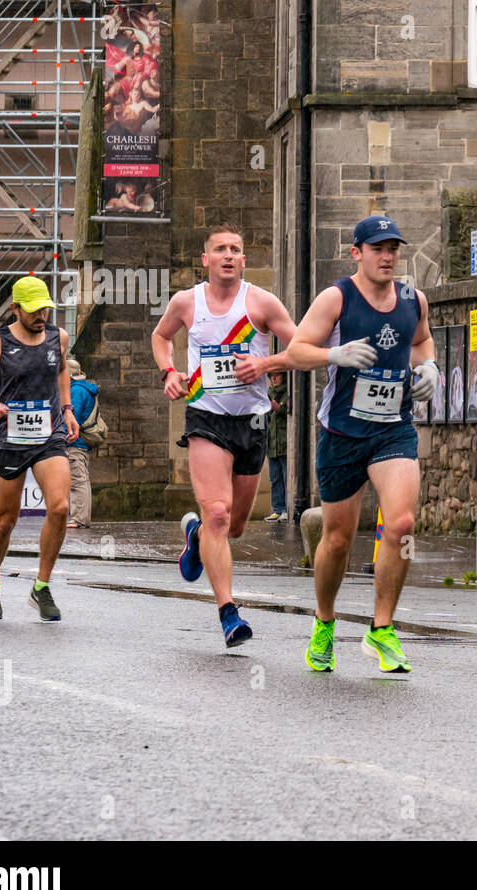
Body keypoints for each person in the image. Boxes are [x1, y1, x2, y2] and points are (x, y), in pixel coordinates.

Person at [286, 215, 437, 675]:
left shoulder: (414, 299)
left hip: (393, 428)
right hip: (342, 432)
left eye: (393, 247)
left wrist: (429, 366)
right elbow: (295, 351)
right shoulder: (337, 298)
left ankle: (382, 628)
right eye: (378, 248)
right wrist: (334, 353)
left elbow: (422, 341)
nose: (388, 256)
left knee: (402, 523)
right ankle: (325, 622)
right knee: (337, 539)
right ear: (357, 252)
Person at [151, 222, 298, 647]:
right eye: (220, 249)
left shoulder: (262, 303)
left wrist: (265, 366)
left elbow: (302, 348)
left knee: (233, 527)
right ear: (206, 260)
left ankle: (195, 536)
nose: (229, 255)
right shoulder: (186, 302)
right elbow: (161, 338)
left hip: (252, 421)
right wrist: (169, 372)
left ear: (244, 260)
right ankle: (228, 613)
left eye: (236, 248)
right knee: (217, 512)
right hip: (206, 417)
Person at [0, 277, 78, 620]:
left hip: (49, 434)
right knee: (6, 520)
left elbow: (61, 373)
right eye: (33, 309)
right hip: (9, 437)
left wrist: (67, 409)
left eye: (45, 308)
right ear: (15, 308)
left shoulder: (59, 337)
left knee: (59, 507)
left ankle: (41, 587)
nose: (41, 315)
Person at [66, 357, 97, 528]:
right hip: (81, 442)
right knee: (81, 479)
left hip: (75, 442)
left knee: (78, 481)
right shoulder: (83, 388)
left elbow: (72, 419)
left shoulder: (76, 391)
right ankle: (79, 517)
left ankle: (79, 519)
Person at [264, 370, 289, 522]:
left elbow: (290, 412)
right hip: (271, 443)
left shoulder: (288, 392)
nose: (274, 378)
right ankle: (277, 509)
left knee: (286, 478)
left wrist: (277, 408)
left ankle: (286, 510)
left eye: (277, 375)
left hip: (285, 443)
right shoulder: (268, 393)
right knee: (275, 478)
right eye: (271, 376)